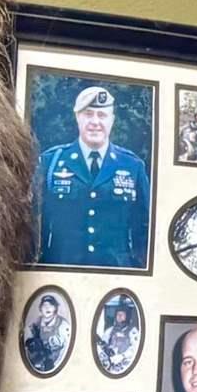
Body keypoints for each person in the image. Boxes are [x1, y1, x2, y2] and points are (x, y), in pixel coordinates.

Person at [36, 84, 150, 267]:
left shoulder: (132, 166)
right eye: (88, 114)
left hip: (117, 274)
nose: (95, 122)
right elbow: (35, 224)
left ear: (112, 120)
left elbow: (144, 229)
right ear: (77, 117)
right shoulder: (51, 162)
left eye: (102, 115)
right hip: (61, 271)